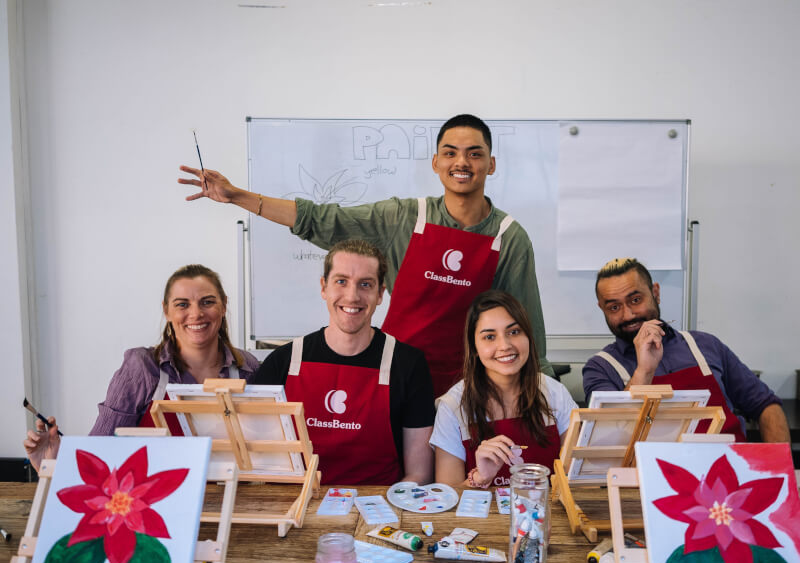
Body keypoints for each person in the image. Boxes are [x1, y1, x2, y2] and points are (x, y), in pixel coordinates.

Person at [178, 114, 553, 396]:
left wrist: (545, 397)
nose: (462, 163)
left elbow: (528, 328)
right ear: (436, 163)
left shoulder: (509, 237)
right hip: (397, 377)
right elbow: (322, 220)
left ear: (491, 164)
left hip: (470, 389)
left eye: (475, 154)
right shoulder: (404, 217)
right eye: (450, 153)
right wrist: (236, 196)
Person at [23, 264, 260, 470]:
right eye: (182, 305)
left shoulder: (247, 368)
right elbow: (101, 449)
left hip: (232, 498)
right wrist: (53, 463)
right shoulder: (142, 368)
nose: (196, 313)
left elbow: (265, 454)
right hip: (155, 501)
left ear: (224, 305)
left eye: (207, 302)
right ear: (166, 311)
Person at [251, 239, 435, 486]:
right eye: (341, 281)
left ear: (380, 294)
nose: (352, 296)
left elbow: (419, 474)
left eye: (365, 284)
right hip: (298, 503)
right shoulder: (282, 362)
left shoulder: (409, 364)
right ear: (323, 287)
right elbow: (258, 461)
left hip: (379, 505)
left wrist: (382, 507)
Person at [583, 258, 790, 442]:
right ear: (602, 309)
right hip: (656, 473)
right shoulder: (600, 369)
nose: (628, 315)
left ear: (656, 293)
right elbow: (607, 436)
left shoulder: (706, 345)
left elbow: (766, 406)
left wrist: (779, 466)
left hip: (731, 468)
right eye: (614, 307)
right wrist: (644, 371)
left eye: (636, 300)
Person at [429, 290, 577, 488]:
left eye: (514, 332)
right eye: (490, 337)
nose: (505, 345)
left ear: (528, 337)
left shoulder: (555, 393)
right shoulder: (453, 406)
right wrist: (480, 477)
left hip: (545, 508)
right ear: (474, 347)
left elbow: (578, 477)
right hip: (482, 510)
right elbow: (448, 497)